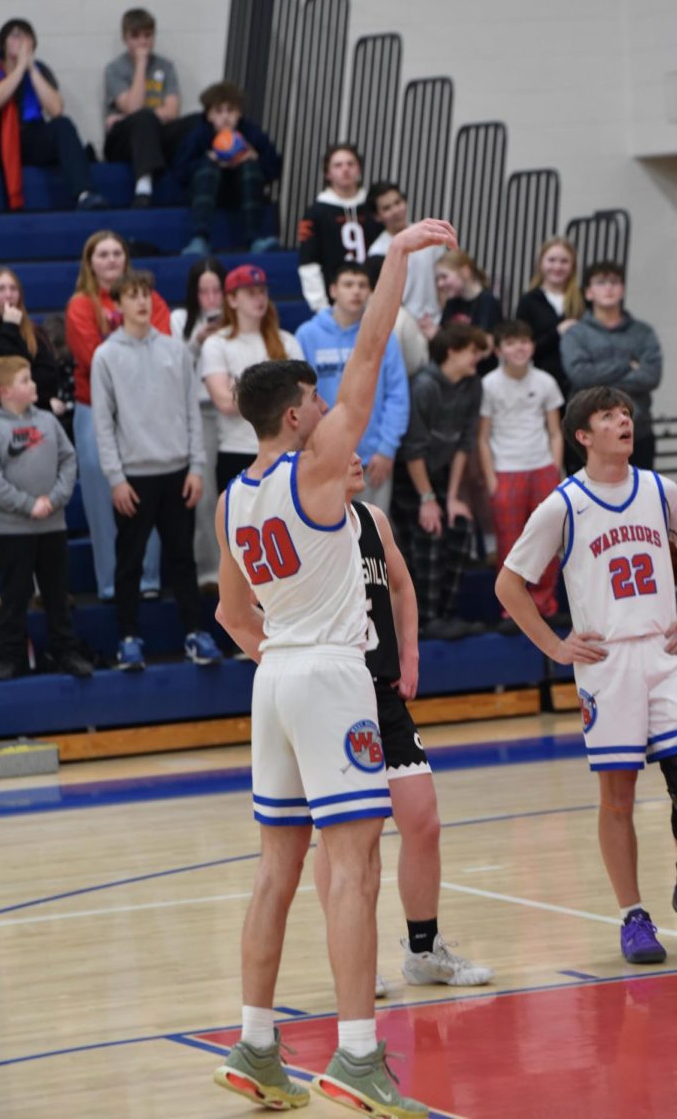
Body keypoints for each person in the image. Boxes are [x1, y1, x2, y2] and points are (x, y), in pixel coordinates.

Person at [212, 218, 455, 1117]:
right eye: (313, 404)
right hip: (326, 675)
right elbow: (370, 352)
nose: (329, 410)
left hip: (271, 674)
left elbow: (231, 614)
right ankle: (356, 1056)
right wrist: (395, 258)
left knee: (277, 869)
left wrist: (279, 652)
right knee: (354, 868)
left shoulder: (235, 500)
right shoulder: (316, 469)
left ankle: (256, 1047)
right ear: (292, 416)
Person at [219, 452, 494, 994]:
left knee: (423, 819)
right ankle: (356, 962)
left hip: (380, 693)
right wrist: (279, 661)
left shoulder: (373, 520)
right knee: (340, 839)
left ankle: (423, 950)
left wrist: (411, 654)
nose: (356, 459)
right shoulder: (301, 530)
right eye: (342, 453)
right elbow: (231, 612)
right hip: (329, 694)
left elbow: (402, 587)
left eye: (357, 450)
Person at [496, 385, 677, 965]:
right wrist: (554, 646)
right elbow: (509, 585)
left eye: (625, 413)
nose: (622, 422)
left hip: (663, 652)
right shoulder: (563, 505)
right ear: (583, 435)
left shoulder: (659, 490)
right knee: (618, 798)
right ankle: (632, 916)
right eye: (608, 416)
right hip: (607, 664)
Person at [90, 269, 222, 671]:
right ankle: (128, 638)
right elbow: (103, 423)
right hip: (133, 477)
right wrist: (115, 478)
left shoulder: (176, 350)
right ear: (118, 303)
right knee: (129, 563)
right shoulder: (106, 356)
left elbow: (191, 413)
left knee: (183, 558)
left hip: (178, 471)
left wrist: (197, 466)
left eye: (146, 293)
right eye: (132, 295)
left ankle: (195, 634)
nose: (141, 301)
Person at [66, 230, 168, 601]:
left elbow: (164, 350)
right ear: (90, 262)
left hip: (145, 411)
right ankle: (110, 582)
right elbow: (94, 361)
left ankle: (149, 577)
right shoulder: (80, 305)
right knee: (101, 497)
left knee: (149, 493)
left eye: (116, 253)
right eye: (102, 254)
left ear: (126, 258)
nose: (110, 260)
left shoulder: (150, 298)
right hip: (95, 409)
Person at [0, 356, 94, 681]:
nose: (33, 385)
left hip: (52, 525)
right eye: (25, 381)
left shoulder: (47, 421)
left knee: (56, 593)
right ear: (5, 391)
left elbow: (68, 459)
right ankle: (10, 657)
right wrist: (27, 504)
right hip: (14, 530)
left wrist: (55, 498)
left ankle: (66, 651)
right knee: (14, 597)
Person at [392, 325, 488, 640]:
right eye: (472, 351)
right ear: (452, 351)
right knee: (430, 532)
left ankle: (447, 614)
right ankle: (426, 618)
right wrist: (427, 499)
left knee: (459, 526)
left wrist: (451, 496)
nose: (478, 358)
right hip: (412, 478)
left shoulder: (473, 386)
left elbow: (464, 443)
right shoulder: (424, 386)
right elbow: (413, 449)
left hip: (443, 476)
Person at [295, 262, 409, 512]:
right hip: (322, 456)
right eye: (348, 284)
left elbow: (398, 395)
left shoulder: (384, 337)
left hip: (372, 458)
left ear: (370, 292)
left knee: (373, 537)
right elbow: (297, 399)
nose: (356, 291)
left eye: (362, 285)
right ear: (333, 290)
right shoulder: (307, 335)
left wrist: (387, 448)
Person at [477, 321, 564, 625]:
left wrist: (555, 469)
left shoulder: (545, 381)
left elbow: (555, 431)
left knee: (548, 539)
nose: (519, 348)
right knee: (510, 543)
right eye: (511, 343)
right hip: (506, 470)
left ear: (533, 346)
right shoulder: (488, 383)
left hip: (541, 467)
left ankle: (544, 603)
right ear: (499, 349)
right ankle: (514, 608)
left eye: (525, 341)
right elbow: (482, 437)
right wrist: (491, 479)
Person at [200, 264, 302, 494]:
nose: (259, 298)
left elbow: (302, 398)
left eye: (262, 291)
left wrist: (245, 394)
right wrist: (278, 395)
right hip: (236, 450)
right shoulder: (217, 343)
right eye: (251, 292)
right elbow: (225, 403)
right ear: (233, 300)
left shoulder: (287, 341)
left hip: (283, 452)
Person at [0, 18, 106, 212]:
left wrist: (31, 69)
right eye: (16, 35)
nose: (21, 41)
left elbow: (56, 109)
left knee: (63, 125)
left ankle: (85, 194)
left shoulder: (40, 69)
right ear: (3, 42)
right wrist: (18, 69)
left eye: (27, 37)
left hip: (31, 135)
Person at [560, 261, 663, 471]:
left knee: (640, 500)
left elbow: (651, 376)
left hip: (637, 433)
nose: (608, 288)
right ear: (588, 293)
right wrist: (627, 365)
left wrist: (600, 371)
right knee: (590, 502)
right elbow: (580, 376)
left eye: (614, 282)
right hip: (589, 438)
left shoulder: (643, 332)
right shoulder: (576, 334)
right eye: (600, 282)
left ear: (622, 289)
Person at [174, 80, 281, 257]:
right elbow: (180, 171)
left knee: (249, 166)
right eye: (218, 111)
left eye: (230, 111)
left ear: (239, 113)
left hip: (242, 193)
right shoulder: (200, 134)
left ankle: (255, 239)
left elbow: (274, 167)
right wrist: (207, 160)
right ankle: (200, 238)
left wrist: (254, 158)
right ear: (209, 115)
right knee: (208, 167)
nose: (225, 117)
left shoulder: (251, 132)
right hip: (207, 194)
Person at [103, 8, 196, 207]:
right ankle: (143, 186)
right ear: (125, 38)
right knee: (143, 117)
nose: (143, 42)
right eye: (136, 36)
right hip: (123, 140)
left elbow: (172, 112)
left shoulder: (166, 66)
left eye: (147, 35)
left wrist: (141, 115)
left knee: (199, 120)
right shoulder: (114, 69)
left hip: (157, 132)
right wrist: (141, 64)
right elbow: (133, 109)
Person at [171, 257, 227, 587]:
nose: (211, 298)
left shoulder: (238, 316)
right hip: (196, 411)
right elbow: (172, 367)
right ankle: (208, 570)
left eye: (216, 290)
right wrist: (197, 343)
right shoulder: (180, 320)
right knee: (204, 495)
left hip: (232, 411)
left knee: (234, 492)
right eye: (204, 291)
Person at [297, 143, 382, 313]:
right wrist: (320, 306)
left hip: (377, 298)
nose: (345, 169)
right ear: (328, 173)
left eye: (350, 164)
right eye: (338, 165)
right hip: (336, 303)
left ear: (359, 169)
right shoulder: (316, 212)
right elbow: (308, 263)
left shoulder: (374, 205)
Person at [515, 236, 583, 398]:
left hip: (578, 386)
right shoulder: (529, 301)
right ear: (541, 263)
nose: (557, 267)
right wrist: (557, 332)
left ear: (572, 266)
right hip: (540, 386)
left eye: (564, 261)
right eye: (551, 260)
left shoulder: (583, 300)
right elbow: (523, 348)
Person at [0, 266, 61, 416]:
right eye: (1, 289)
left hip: (32, 413)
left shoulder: (34, 331)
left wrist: (13, 389)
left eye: (13, 289)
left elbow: (49, 377)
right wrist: (9, 327)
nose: (8, 295)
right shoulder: (7, 329)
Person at [367, 181, 441, 326]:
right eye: (387, 208)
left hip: (435, 323)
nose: (395, 210)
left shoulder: (429, 235)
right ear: (377, 216)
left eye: (398, 202)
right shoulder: (377, 252)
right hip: (400, 325)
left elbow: (443, 284)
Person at [436, 249, 502, 375]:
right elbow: (442, 341)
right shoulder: (451, 302)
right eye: (438, 279)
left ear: (465, 272)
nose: (440, 284)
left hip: (479, 376)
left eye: (444, 277)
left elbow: (486, 347)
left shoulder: (487, 301)